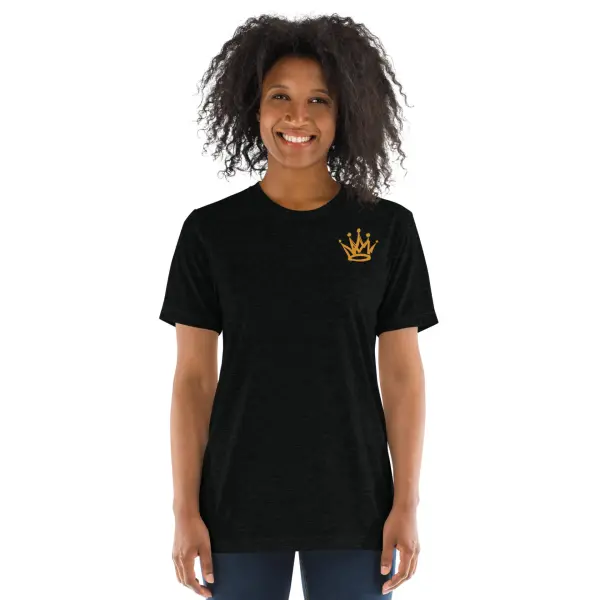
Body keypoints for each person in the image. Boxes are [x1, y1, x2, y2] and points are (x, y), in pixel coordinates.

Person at [159, 13, 439, 600]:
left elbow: (403, 376)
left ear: (346, 114)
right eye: (279, 97)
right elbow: (193, 382)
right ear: (253, 108)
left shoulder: (388, 229)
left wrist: (406, 504)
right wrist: (185, 511)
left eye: (319, 100)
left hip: (357, 503)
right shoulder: (211, 233)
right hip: (237, 502)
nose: (297, 117)